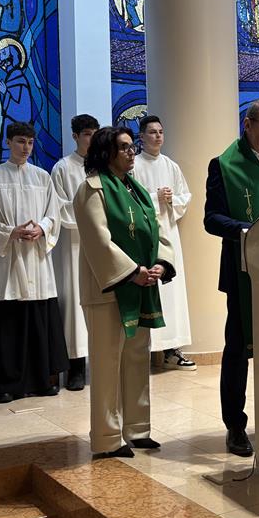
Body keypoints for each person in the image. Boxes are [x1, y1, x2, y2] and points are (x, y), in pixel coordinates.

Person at [74, 127, 175, 458]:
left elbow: (155, 229)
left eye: (133, 147)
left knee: (136, 357)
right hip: (108, 290)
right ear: (106, 153)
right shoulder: (92, 189)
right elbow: (97, 240)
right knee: (107, 363)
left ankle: (137, 429)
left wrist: (160, 263)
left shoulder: (137, 190)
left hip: (140, 284)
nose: (132, 153)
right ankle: (106, 438)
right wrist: (132, 272)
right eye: (125, 148)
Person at [204, 99, 259, 457]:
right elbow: (211, 219)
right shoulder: (223, 165)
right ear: (248, 124)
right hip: (242, 270)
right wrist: (249, 230)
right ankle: (235, 427)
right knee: (238, 350)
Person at [0, 122, 68, 402]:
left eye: (30, 143)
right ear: (8, 142)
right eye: (21, 141)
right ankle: (8, 384)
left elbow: (53, 213)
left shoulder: (42, 177)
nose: (26, 148)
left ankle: (40, 380)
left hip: (35, 257)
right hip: (9, 258)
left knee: (38, 321)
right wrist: (10, 232)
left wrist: (42, 229)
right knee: (10, 324)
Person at [133, 115, 195, 370]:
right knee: (149, 289)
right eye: (152, 132)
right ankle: (143, 351)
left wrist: (171, 200)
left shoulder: (171, 165)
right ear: (141, 137)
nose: (158, 136)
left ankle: (172, 349)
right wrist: (154, 197)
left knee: (172, 293)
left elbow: (185, 196)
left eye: (160, 131)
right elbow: (130, 199)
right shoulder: (134, 165)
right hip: (144, 237)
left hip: (169, 233)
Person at [50, 114, 100, 390]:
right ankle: (76, 366)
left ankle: (102, 362)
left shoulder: (103, 166)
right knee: (74, 303)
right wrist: (88, 214)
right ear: (75, 137)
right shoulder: (63, 168)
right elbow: (59, 207)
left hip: (101, 242)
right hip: (74, 243)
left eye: (95, 133)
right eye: (87, 134)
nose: (91, 139)